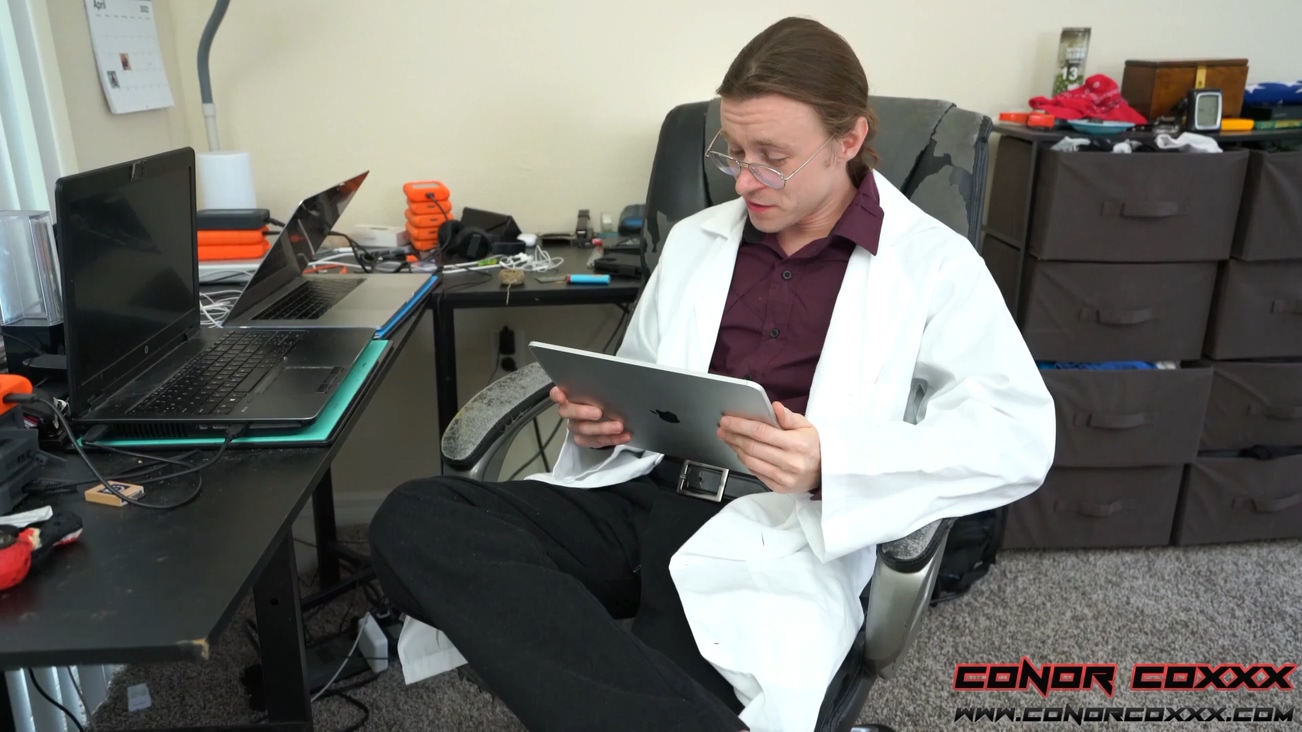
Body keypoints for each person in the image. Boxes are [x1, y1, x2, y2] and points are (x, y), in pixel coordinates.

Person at [369, 16, 1055, 732]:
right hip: (642, 494)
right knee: (417, 520)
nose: (745, 179)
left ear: (849, 140)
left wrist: (833, 460)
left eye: (773, 158)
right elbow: (645, 377)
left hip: (777, 531)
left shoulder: (932, 264)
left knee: (629, 673)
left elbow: (1018, 435)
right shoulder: (698, 239)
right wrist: (606, 422)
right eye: (734, 151)